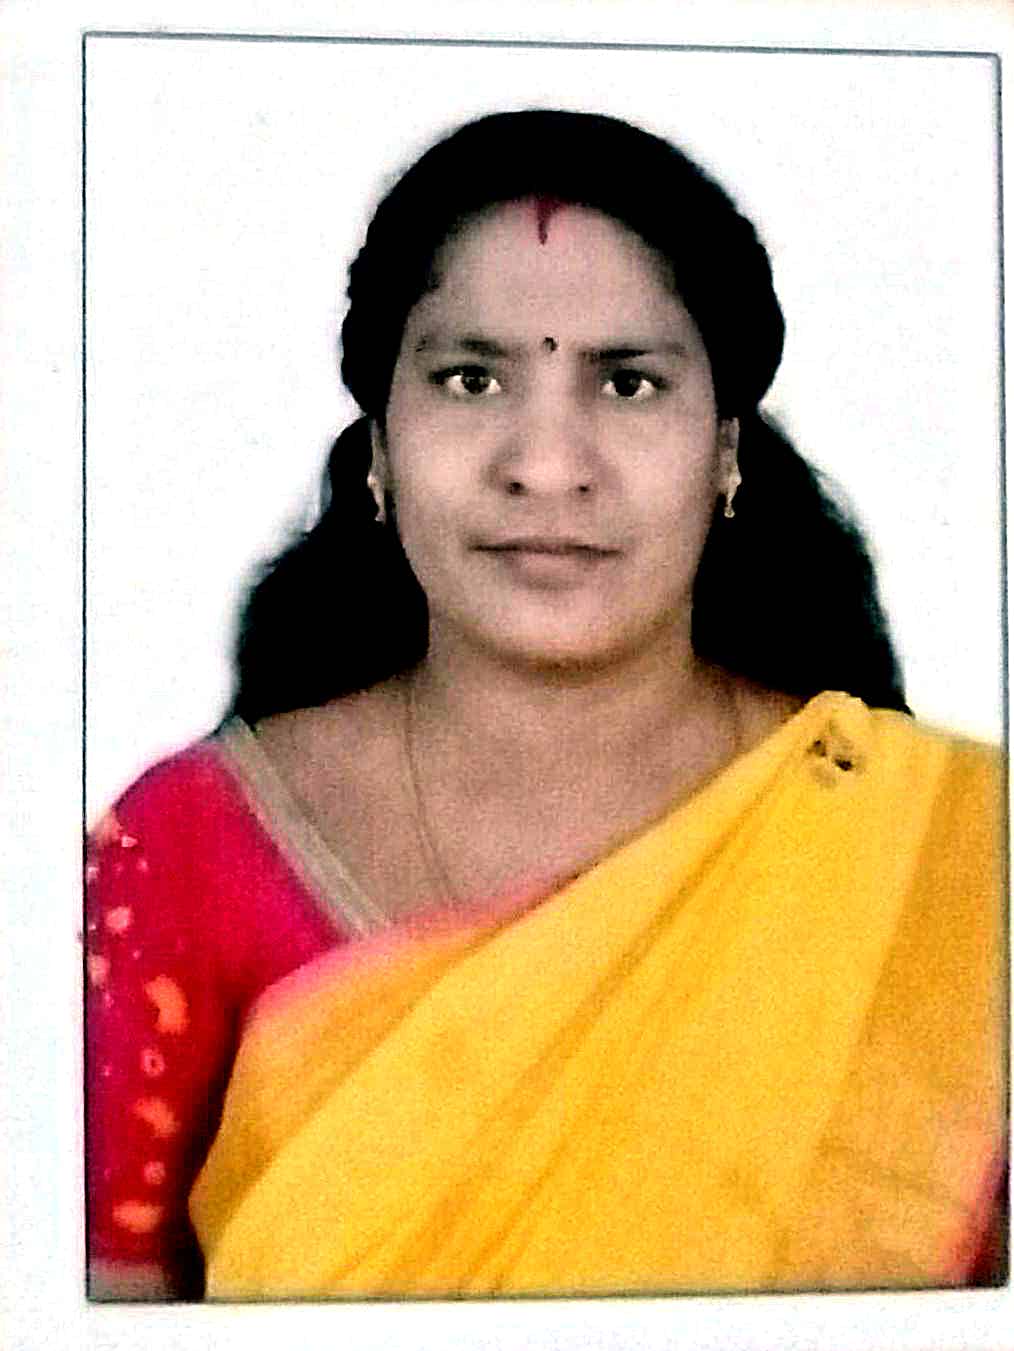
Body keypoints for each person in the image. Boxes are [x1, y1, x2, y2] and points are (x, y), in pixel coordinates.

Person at [85, 109, 1005, 1301]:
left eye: (628, 382)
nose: (547, 464)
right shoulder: (181, 853)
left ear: (727, 450)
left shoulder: (953, 853)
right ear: (379, 447)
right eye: (471, 380)